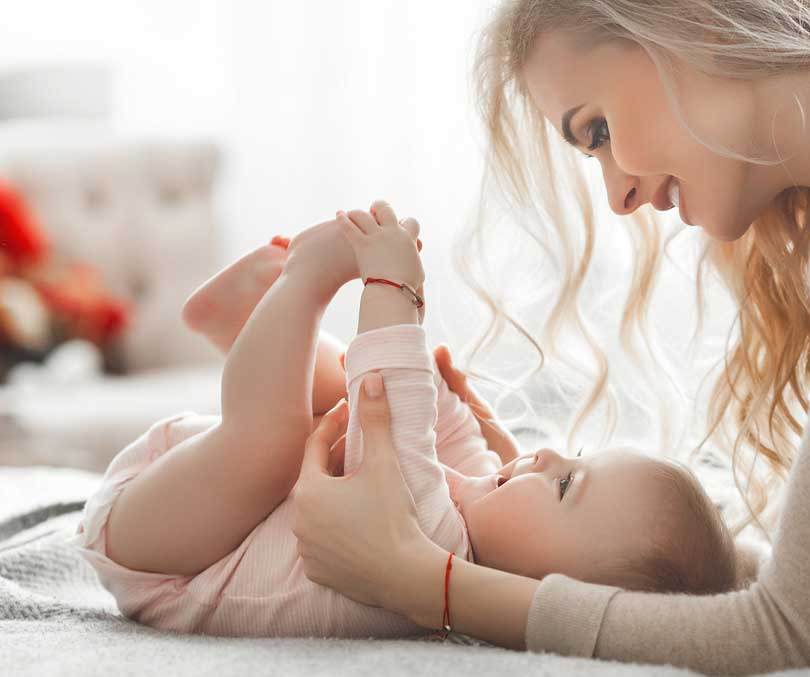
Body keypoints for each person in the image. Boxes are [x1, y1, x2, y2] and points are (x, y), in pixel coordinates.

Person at [289, 0, 810, 677]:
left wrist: (429, 584)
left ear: (686, 21)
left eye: (598, 130)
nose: (617, 194)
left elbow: (799, 627)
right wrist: (550, 537)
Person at [71, 204, 743, 638]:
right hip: (212, 499)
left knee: (282, 445)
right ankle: (249, 324)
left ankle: (296, 288)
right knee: (347, 408)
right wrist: (446, 394)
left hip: (170, 556)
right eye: (572, 456)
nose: (546, 457)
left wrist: (394, 289)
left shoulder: (438, 548)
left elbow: (396, 404)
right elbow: (423, 417)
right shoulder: (477, 497)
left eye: (566, 487)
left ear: (553, 592)